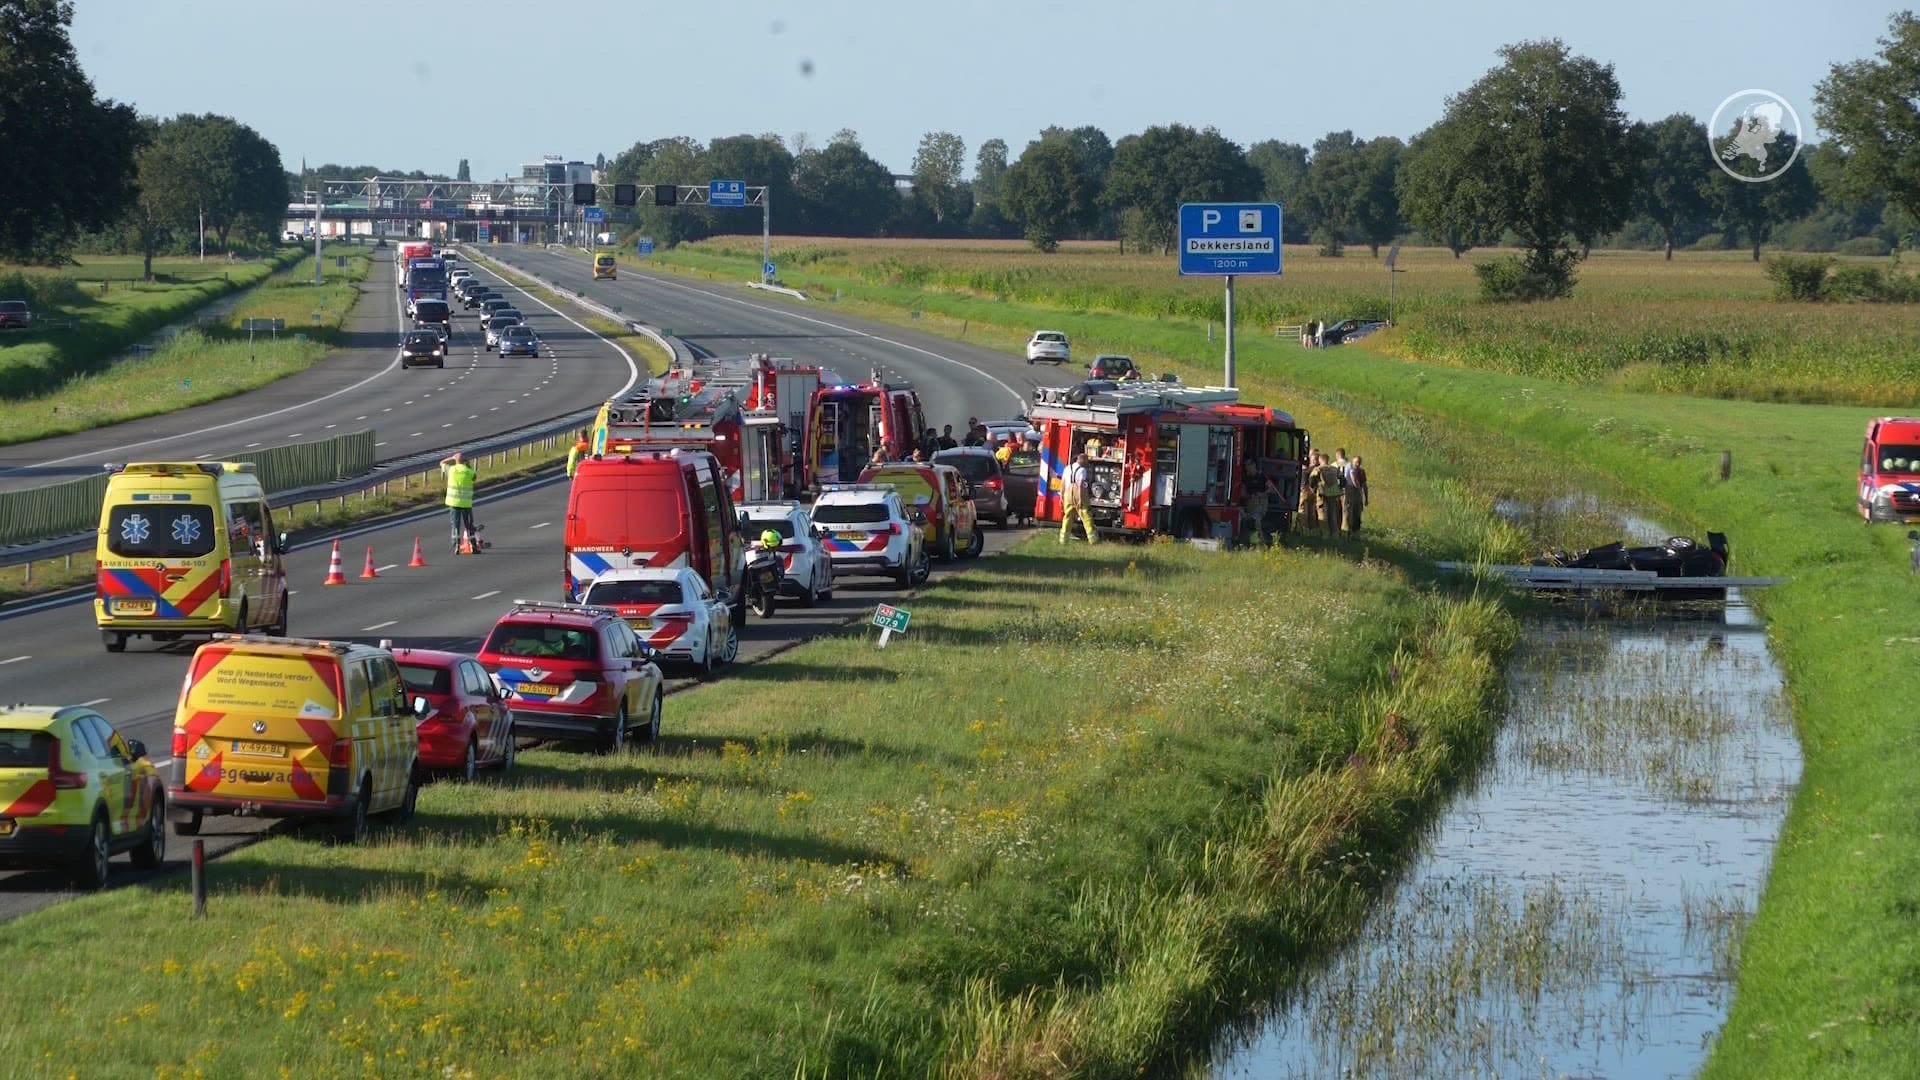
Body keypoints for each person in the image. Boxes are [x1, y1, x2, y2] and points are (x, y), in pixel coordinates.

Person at [440, 450, 477, 552]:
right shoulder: (469, 471)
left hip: (454, 502)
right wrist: (468, 464)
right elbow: (474, 477)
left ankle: (456, 544)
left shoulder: (451, 470)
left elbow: (442, 463)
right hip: (466, 503)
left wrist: (452, 458)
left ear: (456, 461)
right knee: (469, 525)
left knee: (455, 524)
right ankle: (473, 545)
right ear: (464, 461)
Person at [1059, 450, 1097, 544]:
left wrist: (1061, 497)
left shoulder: (1067, 468)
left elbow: (1063, 483)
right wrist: (1080, 499)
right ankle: (1093, 540)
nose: (1087, 463)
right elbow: (1080, 485)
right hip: (1078, 494)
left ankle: (1063, 540)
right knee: (1086, 516)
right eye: (1087, 461)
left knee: (1067, 517)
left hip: (1067, 494)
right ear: (1083, 461)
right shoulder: (1082, 470)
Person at [1310, 451, 1346, 539]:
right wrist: (1340, 487)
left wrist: (1314, 488)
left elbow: (1312, 480)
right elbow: (1343, 479)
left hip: (1323, 493)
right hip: (1334, 494)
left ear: (1320, 460)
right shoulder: (1335, 469)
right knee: (1333, 514)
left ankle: (1325, 534)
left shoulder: (1318, 469)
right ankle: (1335, 534)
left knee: (1323, 513)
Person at [1346, 455, 1370, 535]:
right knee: (1350, 512)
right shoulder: (1349, 470)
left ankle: (1356, 531)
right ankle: (1349, 531)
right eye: (1356, 462)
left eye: (1359, 462)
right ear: (1352, 462)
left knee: (1358, 513)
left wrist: (1366, 498)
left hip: (1358, 494)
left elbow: (1364, 485)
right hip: (1350, 492)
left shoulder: (1361, 472)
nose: (1357, 464)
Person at [1298, 451, 1321, 532]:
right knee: (1311, 511)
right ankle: (1312, 529)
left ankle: (1304, 529)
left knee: (1303, 510)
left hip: (1305, 490)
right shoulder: (1318, 469)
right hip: (1313, 491)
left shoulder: (1307, 469)